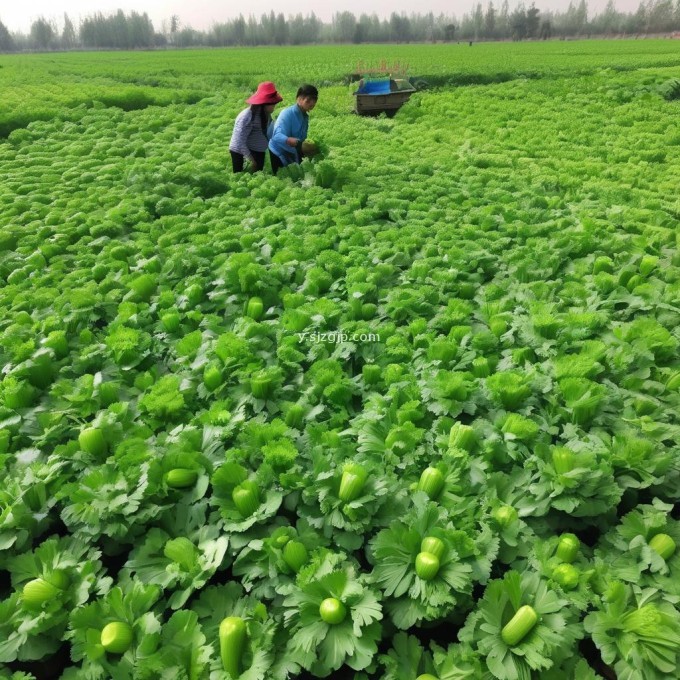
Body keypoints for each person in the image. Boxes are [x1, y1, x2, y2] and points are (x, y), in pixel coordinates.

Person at [229, 82, 283, 173]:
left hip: (257, 151)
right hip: (240, 152)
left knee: (257, 177)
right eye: (272, 104)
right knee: (241, 179)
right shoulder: (247, 116)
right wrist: (251, 159)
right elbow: (239, 142)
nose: (274, 106)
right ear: (264, 103)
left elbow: (269, 133)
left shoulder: (266, 114)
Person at [268, 84, 318, 175]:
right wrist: (289, 140)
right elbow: (276, 136)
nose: (312, 103)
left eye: (315, 100)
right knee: (282, 180)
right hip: (279, 151)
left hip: (292, 150)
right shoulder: (287, 113)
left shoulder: (305, 116)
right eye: (308, 100)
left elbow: (301, 138)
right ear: (299, 99)